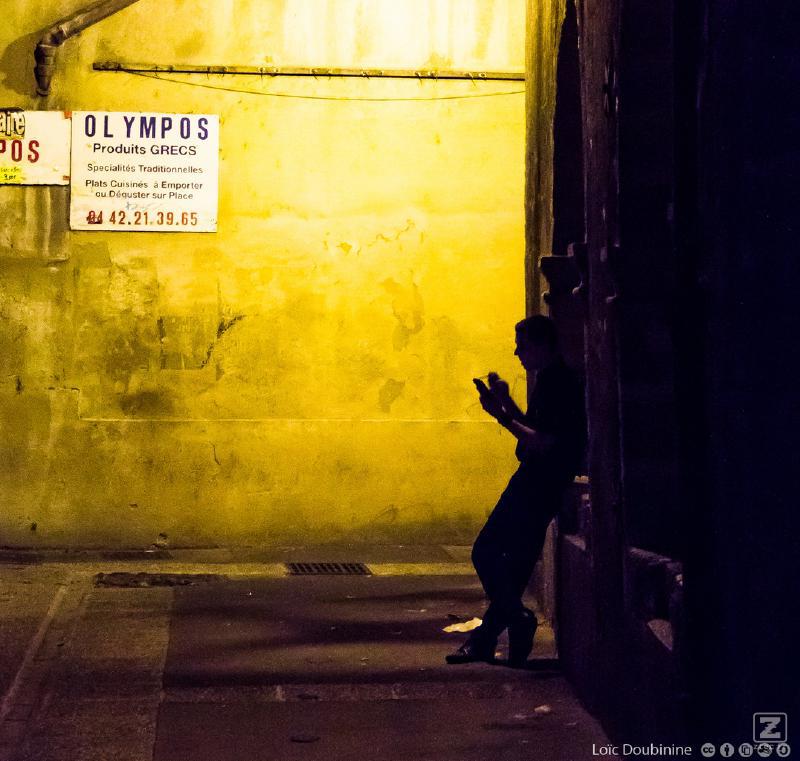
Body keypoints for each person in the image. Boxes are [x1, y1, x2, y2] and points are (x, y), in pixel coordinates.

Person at [446, 315, 586, 667]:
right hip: (543, 481)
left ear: (541, 345)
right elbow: (536, 428)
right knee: (517, 564)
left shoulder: (559, 384)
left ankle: (516, 620)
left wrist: (501, 416)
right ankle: (486, 639)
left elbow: (544, 442)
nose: (517, 353)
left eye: (522, 346)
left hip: (537, 482)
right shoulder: (550, 379)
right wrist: (507, 403)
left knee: (485, 550)